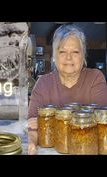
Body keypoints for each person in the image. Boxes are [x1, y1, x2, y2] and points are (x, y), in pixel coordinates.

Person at [27, 24, 107, 155]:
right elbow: (32, 126)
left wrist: (49, 120)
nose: (68, 58)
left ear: (83, 56)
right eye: (62, 51)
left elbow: (102, 122)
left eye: (75, 52)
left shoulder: (95, 78)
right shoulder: (43, 83)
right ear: (54, 56)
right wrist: (31, 143)